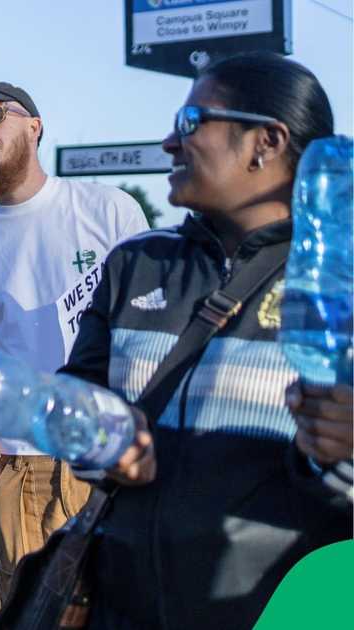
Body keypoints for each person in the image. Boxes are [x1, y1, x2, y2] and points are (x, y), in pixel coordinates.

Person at [60, 52, 353, 629]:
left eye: (190, 122)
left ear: (265, 142)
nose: (170, 142)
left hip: (283, 611)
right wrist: (97, 437)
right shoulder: (136, 264)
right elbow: (74, 395)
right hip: (123, 608)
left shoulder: (337, 283)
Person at [0, 81, 149, 601]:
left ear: (34, 125)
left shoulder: (109, 210)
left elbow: (148, 333)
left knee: (121, 607)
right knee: (33, 612)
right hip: (21, 466)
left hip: (110, 453)